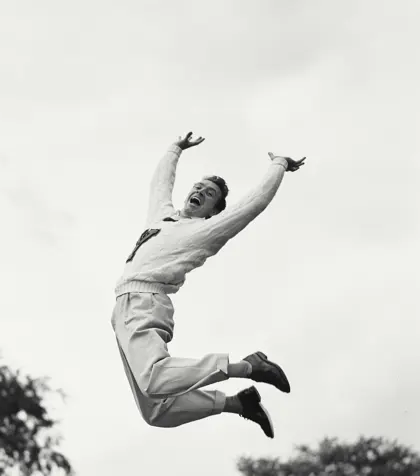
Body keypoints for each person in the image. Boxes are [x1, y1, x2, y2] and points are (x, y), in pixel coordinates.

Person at [111, 132, 305, 438]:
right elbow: (159, 185)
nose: (200, 191)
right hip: (121, 307)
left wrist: (278, 165)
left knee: (154, 379)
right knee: (156, 411)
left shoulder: (206, 231)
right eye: (198, 187)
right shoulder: (162, 217)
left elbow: (252, 205)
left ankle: (248, 367)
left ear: (214, 210)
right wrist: (175, 149)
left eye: (209, 193)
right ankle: (238, 403)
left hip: (147, 300)